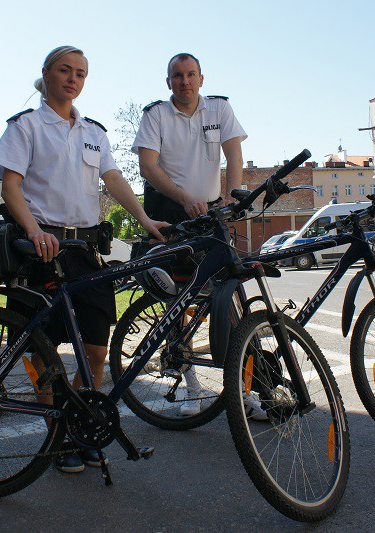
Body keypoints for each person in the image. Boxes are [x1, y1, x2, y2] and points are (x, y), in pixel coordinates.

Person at [0, 45, 166, 473]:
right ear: (46, 73)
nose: (73, 79)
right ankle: (56, 435)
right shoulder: (25, 127)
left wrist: (144, 219)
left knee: (95, 349)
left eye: (81, 73)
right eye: (65, 71)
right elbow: (10, 187)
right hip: (40, 250)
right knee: (41, 351)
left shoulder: (94, 132)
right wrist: (33, 231)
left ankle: (77, 426)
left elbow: (115, 180)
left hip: (84, 251)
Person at [131, 52, 266, 420]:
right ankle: (190, 383)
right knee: (177, 300)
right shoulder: (155, 115)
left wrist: (232, 196)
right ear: (168, 82)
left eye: (191, 75)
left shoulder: (219, 109)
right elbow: (148, 166)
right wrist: (184, 197)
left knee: (232, 295)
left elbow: (234, 154)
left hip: (209, 211)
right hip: (170, 212)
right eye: (177, 76)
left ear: (201, 79)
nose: (185, 81)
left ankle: (245, 392)